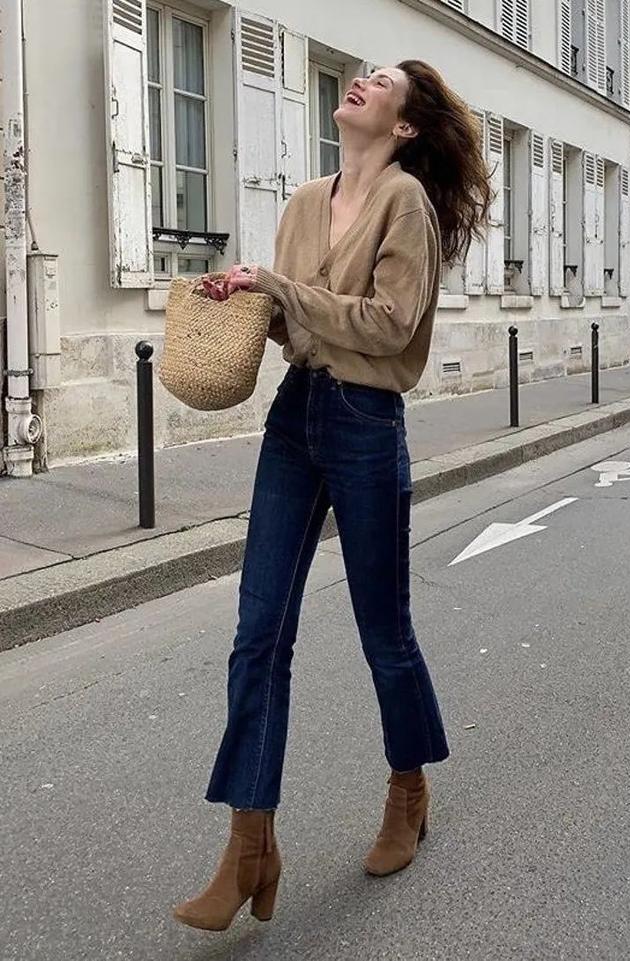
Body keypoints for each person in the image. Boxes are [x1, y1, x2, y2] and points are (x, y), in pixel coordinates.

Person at [173, 59, 491, 932]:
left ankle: (408, 789)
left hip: (365, 420)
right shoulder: (306, 201)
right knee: (258, 630)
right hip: (296, 413)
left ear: (405, 125)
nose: (359, 82)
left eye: (380, 82)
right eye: (359, 76)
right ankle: (250, 845)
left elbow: (390, 325)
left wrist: (280, 289)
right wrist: (249, 299)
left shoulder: (405, 203)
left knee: (383, 630)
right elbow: (299, 322)